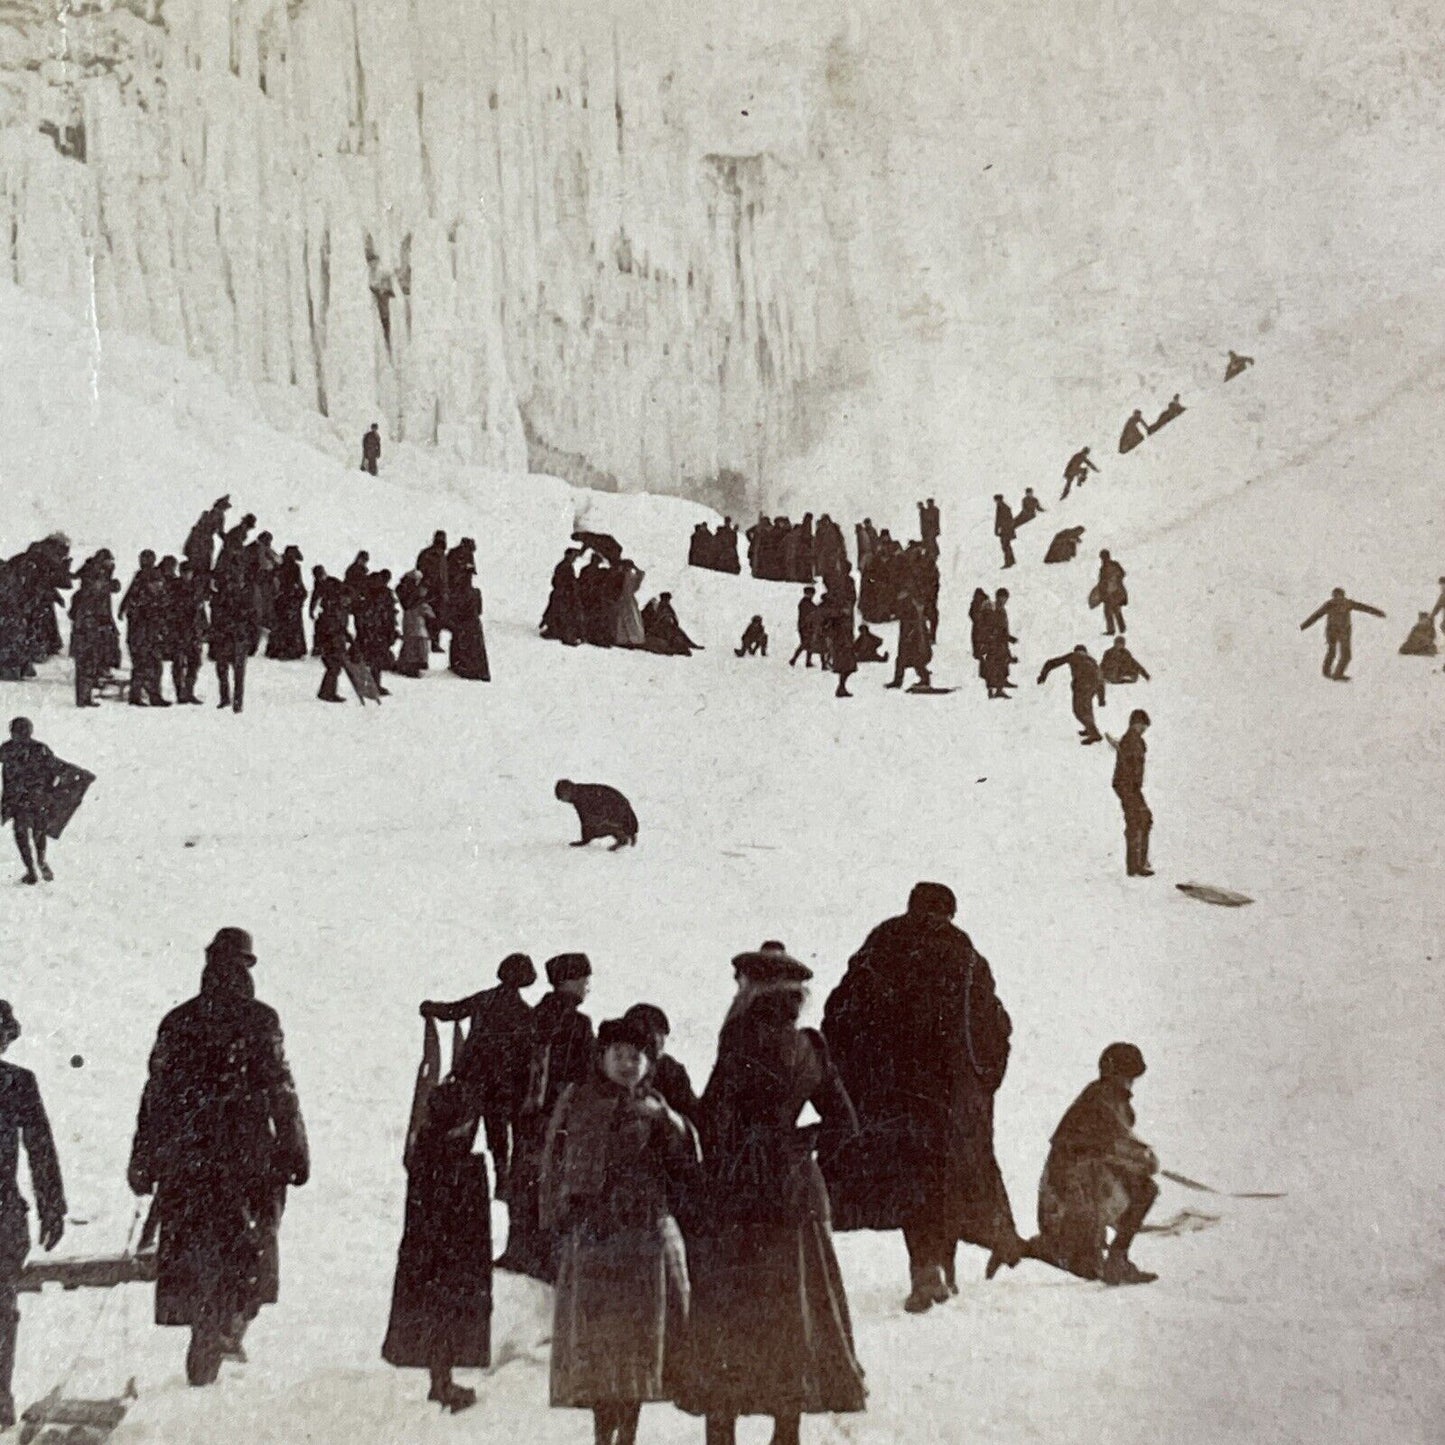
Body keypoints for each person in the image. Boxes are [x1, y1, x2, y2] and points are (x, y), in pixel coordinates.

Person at [678, 944, 867, 1445]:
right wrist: (799, 1145)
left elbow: (714, 1123)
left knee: (730, 1310)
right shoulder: (811, 1045)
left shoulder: (739, 1039)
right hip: (795, 1192)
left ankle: (723, 1429)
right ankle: (787, 1429)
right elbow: (843, 1123)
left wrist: (676, 1099)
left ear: (751, 990)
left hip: (740, 1194)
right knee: (792, 1308)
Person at [821, 884, 1019, 1313]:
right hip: (943, 1094)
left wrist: (856, 1076)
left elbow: (838, 1013)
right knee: (941, 1176)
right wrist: (981, 1080)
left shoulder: (880, 946)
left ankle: (928, 1271)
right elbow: (991, 1025)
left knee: (908, 1178)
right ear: (948, 912)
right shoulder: (962, 955)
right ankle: (935, 1268)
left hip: (887, 1093)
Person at [127, 928, 308, 1387]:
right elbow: (280, 1088)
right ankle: (226, 1324)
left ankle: (205, 1326)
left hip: (187, 1155)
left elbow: (155, 1093)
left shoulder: (177, 1020)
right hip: (246, 1154)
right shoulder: (260, 1019)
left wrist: (143, 1156)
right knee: (253, 1240)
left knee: (193, 1243)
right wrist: (294, 1146)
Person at [541, 1015, 699, 1445]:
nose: (628, 1064)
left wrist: (666, 1118)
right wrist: (558, 1220)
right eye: (619, 1055)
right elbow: (554, 1160)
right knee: (599, 1346)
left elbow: (688, 1161)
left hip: (644, 1240)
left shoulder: (658, 1106)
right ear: (602, 1056)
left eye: (637, 1057)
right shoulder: (578, 1099)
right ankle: (601, 1435)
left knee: (637, 1347)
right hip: (594, 1240)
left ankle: (626, 1435)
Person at [996, 1043, 1159, 1286]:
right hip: (1068, 1197)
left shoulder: (1105, 1101)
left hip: (1080, 1193)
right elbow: (1128, 1153)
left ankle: (1114, 1258)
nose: (1130, 1085)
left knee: (1143, 1189)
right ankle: (1031, 1248)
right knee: (1086, 1266)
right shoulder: (1101, 1103)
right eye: (1128, 1078)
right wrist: (1145, 1160)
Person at [381, 1075, 492, 1413]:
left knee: (435, 1317)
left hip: (427, 1262)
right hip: (451, 1263)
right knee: (446, 1316)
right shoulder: (457, 1165)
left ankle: (439, 1378)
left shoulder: (425, 1156)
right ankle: (442, 1381)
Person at [497, 953, 595, 1282]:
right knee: (552, 1181)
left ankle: (518, 1248)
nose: (587, 988)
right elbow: (586, 1075)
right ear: (570, 981)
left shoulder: (532, 1016)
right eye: (584, 980)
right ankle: (546, 1255)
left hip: (526, 1116)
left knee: (524, 1176)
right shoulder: (579, 1024)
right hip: (559, 1118)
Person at [421, 954, 538, 1201]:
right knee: (498, 1139)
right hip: (502, 1087)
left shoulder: (485, 999)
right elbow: (527, 1057)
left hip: (472, 1081)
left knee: (459, 1133)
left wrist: (430, 1007)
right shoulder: (525, 1013)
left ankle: (449, 1179)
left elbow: (452, 1011)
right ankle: (502, 1182)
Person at [0, 999, 66, 1432]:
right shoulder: (16, 1082)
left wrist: (52, 1206)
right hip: (4, 1217)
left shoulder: (18, 1083)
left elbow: (40, 1147)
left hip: (3, 1215)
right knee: (1, 1310)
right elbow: (39, 1148)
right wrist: (51, 1207)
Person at [0, 718, 59, 885]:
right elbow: (55, 770)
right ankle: (40, 861)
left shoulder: (7, 749)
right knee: (38, 832)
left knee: (21, 834)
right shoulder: (40, 749)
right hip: (37, 798)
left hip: (18, 799)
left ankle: (31, 869)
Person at [621, 1005, 700, 1127]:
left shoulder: (670, 1069)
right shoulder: (617, 1063)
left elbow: (693, 1117)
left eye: (659, 1034)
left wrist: (665, 1114)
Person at [119, 550, 171, 707]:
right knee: (146, 665)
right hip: (142, 635)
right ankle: (144, 696)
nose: (157, 586)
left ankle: (148, 695)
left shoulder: (142, 580)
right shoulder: (142, 583)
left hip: (147, 634)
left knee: (149, 665)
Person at [1299, 588, 1386, 681]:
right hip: (1341, 632)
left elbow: (1316, 616)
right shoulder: (1344, 603)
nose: (1338, 599)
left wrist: (1303, 626)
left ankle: (1328, 672)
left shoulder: (1331, 604)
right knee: (1344, 654)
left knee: (1333, 652)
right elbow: (1364, 607)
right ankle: (1336, 674)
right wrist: (1379, 613)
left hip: (1333, 632)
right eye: (1337, 596)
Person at [1106, 709, 1153, 878]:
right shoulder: (1132, 741)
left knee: (1143, 820)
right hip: (1128, 787)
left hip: (1129, 787)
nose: (1144, 729)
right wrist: (1132, 786)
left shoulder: (1132, 740)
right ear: (1136, 724)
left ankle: (1138, 862)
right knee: (1138, 821)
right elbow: (1129, 762)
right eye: (1143, 726)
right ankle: (1136, 865)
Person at [1038, 645, 1106, 744]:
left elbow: (1052, 663)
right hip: (1093, 685)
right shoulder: (1092, 661)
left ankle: (1094, 734)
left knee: (1078, 710)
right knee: (1087, 707)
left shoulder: (1074, 655)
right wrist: (1101, 698)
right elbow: (1101, 680)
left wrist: (1043, 675)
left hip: (1082, 685)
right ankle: (1089, 729)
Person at [555, 780, 638, 849]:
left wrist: (585, 839)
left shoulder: (581, 796)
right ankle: (622, 833)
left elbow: (587, 820)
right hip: (617, 807)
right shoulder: (580, 793)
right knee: (594, 823)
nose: (563, 800)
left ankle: (621, 834)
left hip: (617, 809)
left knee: (596, 825)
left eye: (563, 797)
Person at [448, 563, 491, 681]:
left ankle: (463, 667)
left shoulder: (457, 593)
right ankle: (477, 670)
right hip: (474, 623)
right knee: (475, 648)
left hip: (463, 623)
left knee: (461, 645)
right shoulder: (476, 592)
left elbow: (453, 609)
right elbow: (479, 610)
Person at [265, 546, 308, 661]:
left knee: (280, 624)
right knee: (290, 625)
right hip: (289, 599)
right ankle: (288, 650)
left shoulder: (279, 566)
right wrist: (300, 594)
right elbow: (297, 583)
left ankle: (277, 649)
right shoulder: (293, 567)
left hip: (281, 599)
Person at [885, 589, 933, 691]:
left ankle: (924, 678)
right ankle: (898, 680)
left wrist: (911, 634)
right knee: (903, 658)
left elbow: (917, 621)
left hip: (913, 635)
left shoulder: (912, 605)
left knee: (915, 658)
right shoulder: (908, 604)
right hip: (908, 633)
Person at [313, 578, 352, 703]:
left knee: (334, 667)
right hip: (330, 641)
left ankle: (327, 691)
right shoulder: (333, 609)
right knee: (333, 667)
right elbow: (331, 626)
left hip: (334, 640)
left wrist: (347, 636)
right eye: (347, 598)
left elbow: (340, 627)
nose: (348, 601)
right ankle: (327, 693)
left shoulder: (338, 608)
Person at [394, 571, 435, 677]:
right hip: (416, 624)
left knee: (411, 644)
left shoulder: (407, 592)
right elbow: (430, 615)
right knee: (416, 644)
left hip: (412, 622)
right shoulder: (413, 596)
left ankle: (407, 664)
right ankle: (411, 666)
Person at [540, 549, 585, 646]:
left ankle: (555, 630)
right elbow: (562, 581)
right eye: (574, 556)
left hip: (562, 594)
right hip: (563, 595)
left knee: (559, 614)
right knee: (564, 615)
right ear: (567, 555)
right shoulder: (565, 567)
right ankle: (565, 636)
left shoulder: (565, 566)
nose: (575, 559)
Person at [416, 533, 449, 652]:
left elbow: (444, 576)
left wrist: (445, 590)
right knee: (427, 617)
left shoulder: (442, 557)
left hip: (439, 592)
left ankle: (434, 642)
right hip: (429, 591)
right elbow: (420, 572)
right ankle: (427, 642)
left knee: (438, 618)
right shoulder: (426, 554)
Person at [1096, 550, 1128, 635]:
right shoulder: (1112, 565)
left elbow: (1104, 581)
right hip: (1115, 593)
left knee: (1109, 611)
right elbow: (1122, 574)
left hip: (1113, 593)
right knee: (1116, 610)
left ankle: (1113, 630)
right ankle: (1122, 628)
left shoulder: (1106, 567)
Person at [789, 587, 819, 668]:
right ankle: (794, 659)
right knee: (805, 643)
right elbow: (812, 612)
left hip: (808, 626)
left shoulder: (807, 602)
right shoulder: (805, 603)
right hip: (804, 626)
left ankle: (807, 661)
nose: (811, 595)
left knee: (809, 644)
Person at [993, 494, 1017, 569]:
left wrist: (998, 530)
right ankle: (1012, 561)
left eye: (996, 500)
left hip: (1005, 530)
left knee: (1005, 546)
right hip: (1006, 530)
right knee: (1007, 545)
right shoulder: (1003, 506)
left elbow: (1001, 520)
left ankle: (1008, 562)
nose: (995, 502)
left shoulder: (1002, 507)